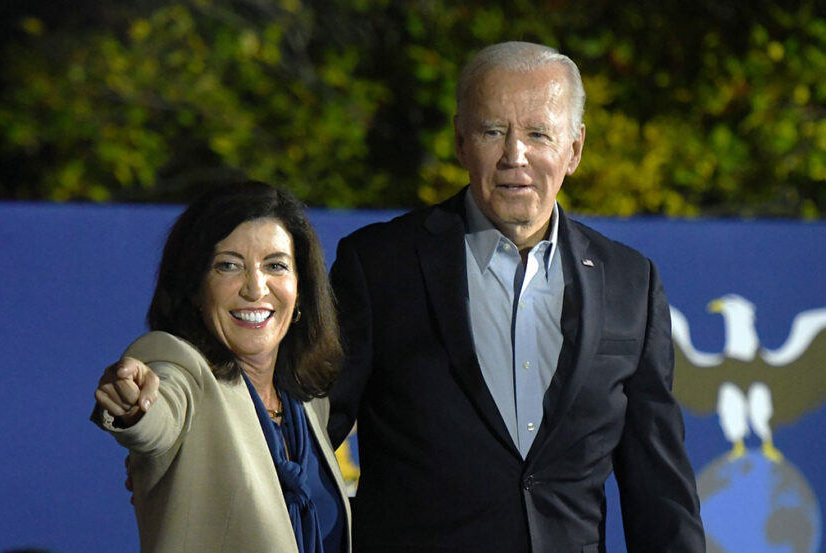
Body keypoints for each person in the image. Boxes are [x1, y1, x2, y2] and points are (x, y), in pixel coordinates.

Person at [326, 42, 705, 552]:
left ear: (574, 149)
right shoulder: (379, 266)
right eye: (493, 131)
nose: (514, 156)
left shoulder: (630, 283)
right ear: (461, 142)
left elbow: (660, 488)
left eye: (538, 134)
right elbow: (311, 438)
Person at [92, 181, 351, 553]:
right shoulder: (180, 368)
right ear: (195, 288)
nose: (255, 288)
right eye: (228, 265)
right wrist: (135, 408)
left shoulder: (309, 402)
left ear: (301, 292)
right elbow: (159, 417)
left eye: (276, 265)